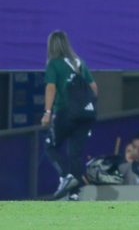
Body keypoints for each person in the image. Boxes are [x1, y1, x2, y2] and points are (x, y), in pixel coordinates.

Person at [42, 30, 98, 201]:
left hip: (66, 112)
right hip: (85, 115)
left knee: (50, 146)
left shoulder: (54, 63)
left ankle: (65, 176)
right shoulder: (79, 62)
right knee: (75, 153)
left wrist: (47, 112)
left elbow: (50, 88)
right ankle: (74, 194)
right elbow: (94, 88)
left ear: (52, 45)